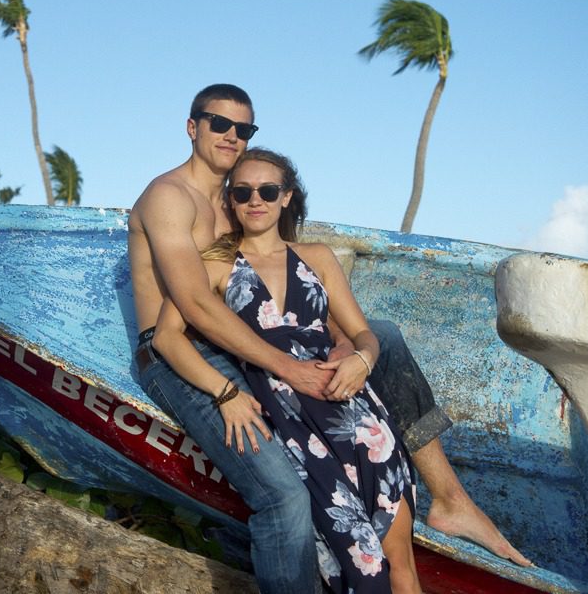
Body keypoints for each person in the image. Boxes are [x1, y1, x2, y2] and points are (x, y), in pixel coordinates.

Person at [127, 84, 529, 592]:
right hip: (178, 353)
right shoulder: (170, 197)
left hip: (234, 342)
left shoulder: (235, 203)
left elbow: (284, 282)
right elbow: (194, 306)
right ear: (193, 127)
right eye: (218, 124)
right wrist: (254, 380)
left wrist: (350, 350)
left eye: (243, 129)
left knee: (381, 337)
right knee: (283, 494)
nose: (231, 136)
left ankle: (449, 498)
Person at [156, 147, 418, 591]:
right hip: (293, 429)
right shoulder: (215, 263)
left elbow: (362, 333)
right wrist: (224, 393)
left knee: (402, 566)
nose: (255, 200)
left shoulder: (317, 257)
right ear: (232, 201)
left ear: (286, 197)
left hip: (358, 421)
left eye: (267, 190)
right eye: (243, 192)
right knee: (363, 565)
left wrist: (362, 359)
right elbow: (166, 338)